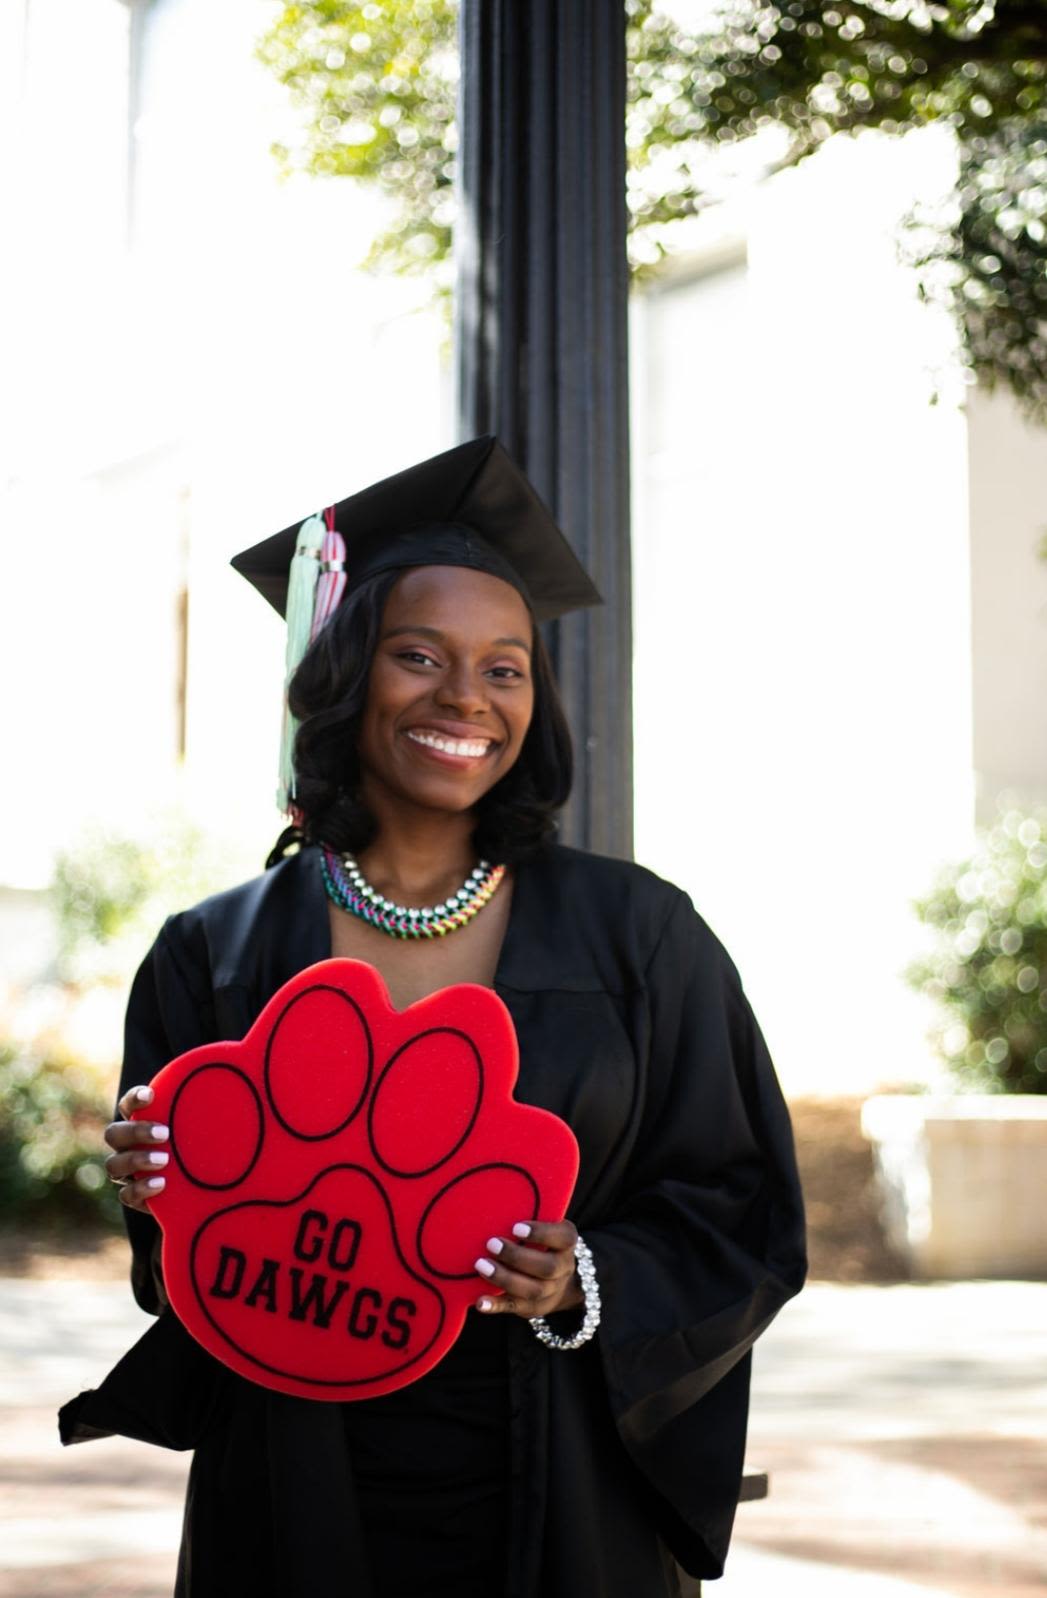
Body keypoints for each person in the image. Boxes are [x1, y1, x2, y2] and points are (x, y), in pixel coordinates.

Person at [59, 436, 806, 1598]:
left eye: (505, 667)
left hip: (558, 1477)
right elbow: (178, 1276)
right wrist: (165, 1185)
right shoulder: (215, 952)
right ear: (348, 673)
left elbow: (741, 1200)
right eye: (419, 654)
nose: (465, 695)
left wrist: (585, 1274)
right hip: (297, 1471)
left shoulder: (640, 936)